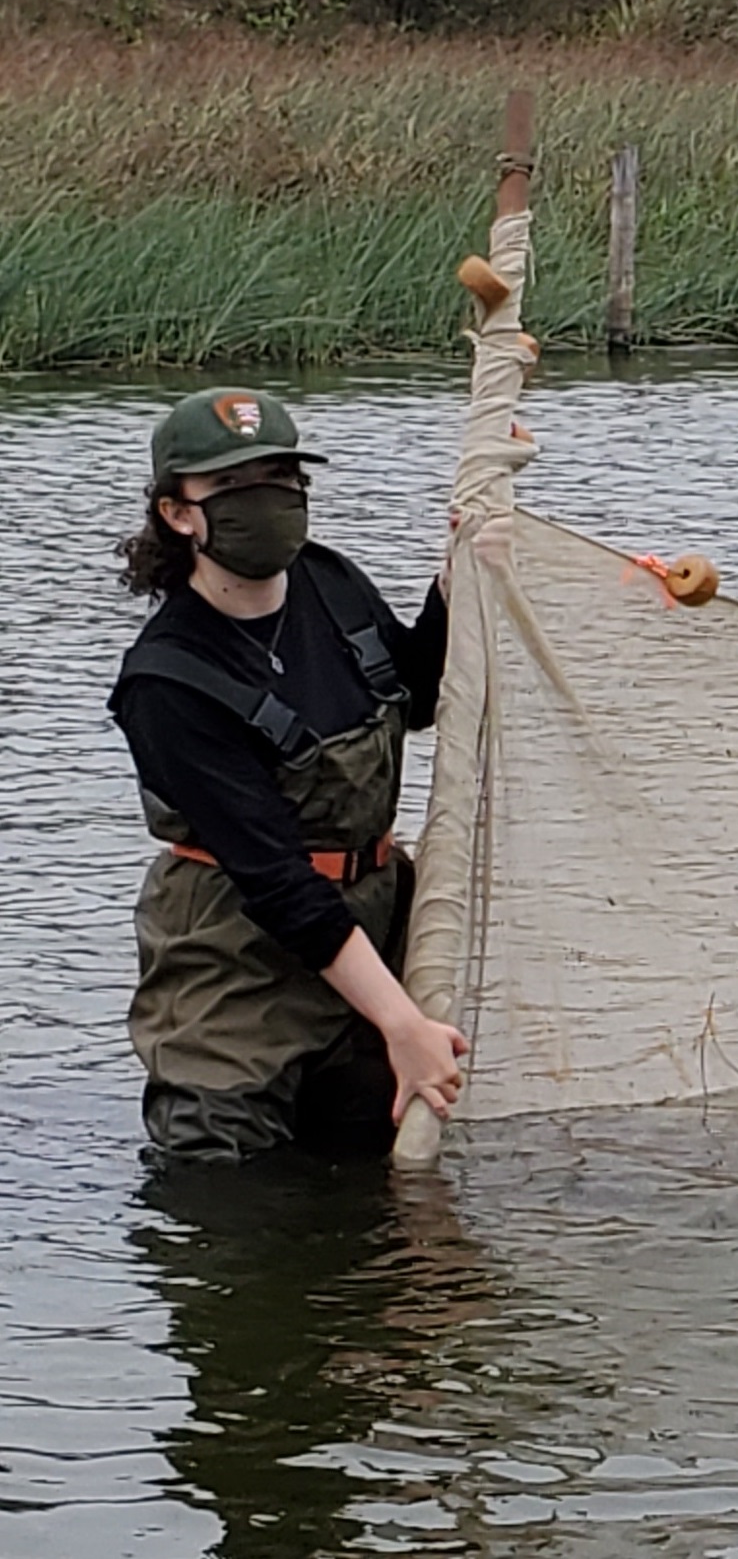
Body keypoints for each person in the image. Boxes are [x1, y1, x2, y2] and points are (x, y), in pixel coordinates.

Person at [113, 387, 469, 1164]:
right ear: (179, 514)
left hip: (373, 932)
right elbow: (277, 881)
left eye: (282, 477)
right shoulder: (168, 683)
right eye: (235, 487)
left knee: (379, 1198)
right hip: (238, 967)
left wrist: (460, 575)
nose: (267, 501)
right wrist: (402, 1024)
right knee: (231, 1207)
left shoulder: (328, 581)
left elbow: (415, 690)